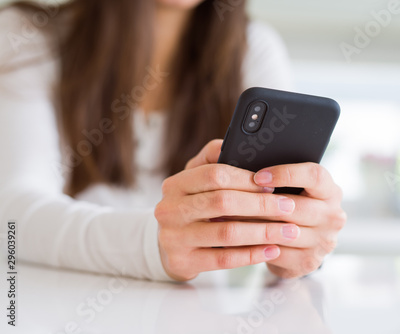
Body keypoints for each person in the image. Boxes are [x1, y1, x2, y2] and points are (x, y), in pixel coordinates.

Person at [0, 0, 346, 282]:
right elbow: (12, 218)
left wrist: (302, 244)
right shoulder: (27, 36)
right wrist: (155, 246)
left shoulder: (254, 48)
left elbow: (284, 223)